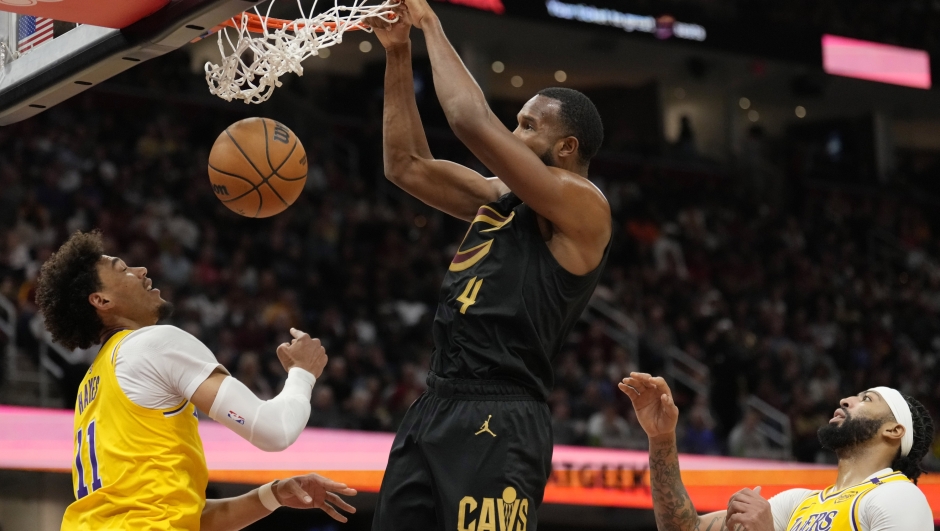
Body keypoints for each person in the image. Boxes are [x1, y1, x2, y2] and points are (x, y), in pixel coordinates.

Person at [368, 0, 611, 529]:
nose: (514, 134)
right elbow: (405, 166)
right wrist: (397, 52)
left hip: (503, 412)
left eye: (527, 127)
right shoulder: (502, 197)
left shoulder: (584, 205)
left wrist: (428, 22)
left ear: (566, 146)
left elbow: (469, 120)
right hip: (437, 400)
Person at [36, 231, 356, 531]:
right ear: (101, 300)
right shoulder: (152, 344)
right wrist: (303, 373)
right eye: (122, 269)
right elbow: (274, 430)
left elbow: (183, 516)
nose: (142, 269)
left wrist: (272, 496)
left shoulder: (93, 383)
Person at [619, 372, 934, 531]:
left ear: (893, 431)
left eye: (867, 400)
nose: (846, 400)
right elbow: (683, 528)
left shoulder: (897, 496)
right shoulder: (798, 503)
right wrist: (661, 438)